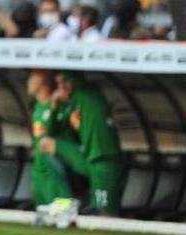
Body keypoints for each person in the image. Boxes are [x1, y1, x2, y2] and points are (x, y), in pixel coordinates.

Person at [38, 71, 123, 215]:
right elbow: (51, 132)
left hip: (103, 157)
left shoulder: (87, 94)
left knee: (104, 209)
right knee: (46, 143)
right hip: (87, 155)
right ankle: (66, 199)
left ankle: (75, 204)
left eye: (64, 82)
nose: (61, 88)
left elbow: (79, 82)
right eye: (58, 84)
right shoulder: (71, 105)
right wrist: (54, 106)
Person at [26, 70, 72, 207]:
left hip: (53, 167)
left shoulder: (57, 107)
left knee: (63, 210)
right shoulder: (38, 107)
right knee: (42, 215)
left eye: (32, 79)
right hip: (38, 169)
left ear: (43, 83)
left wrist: (54, 107)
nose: (28, 82)